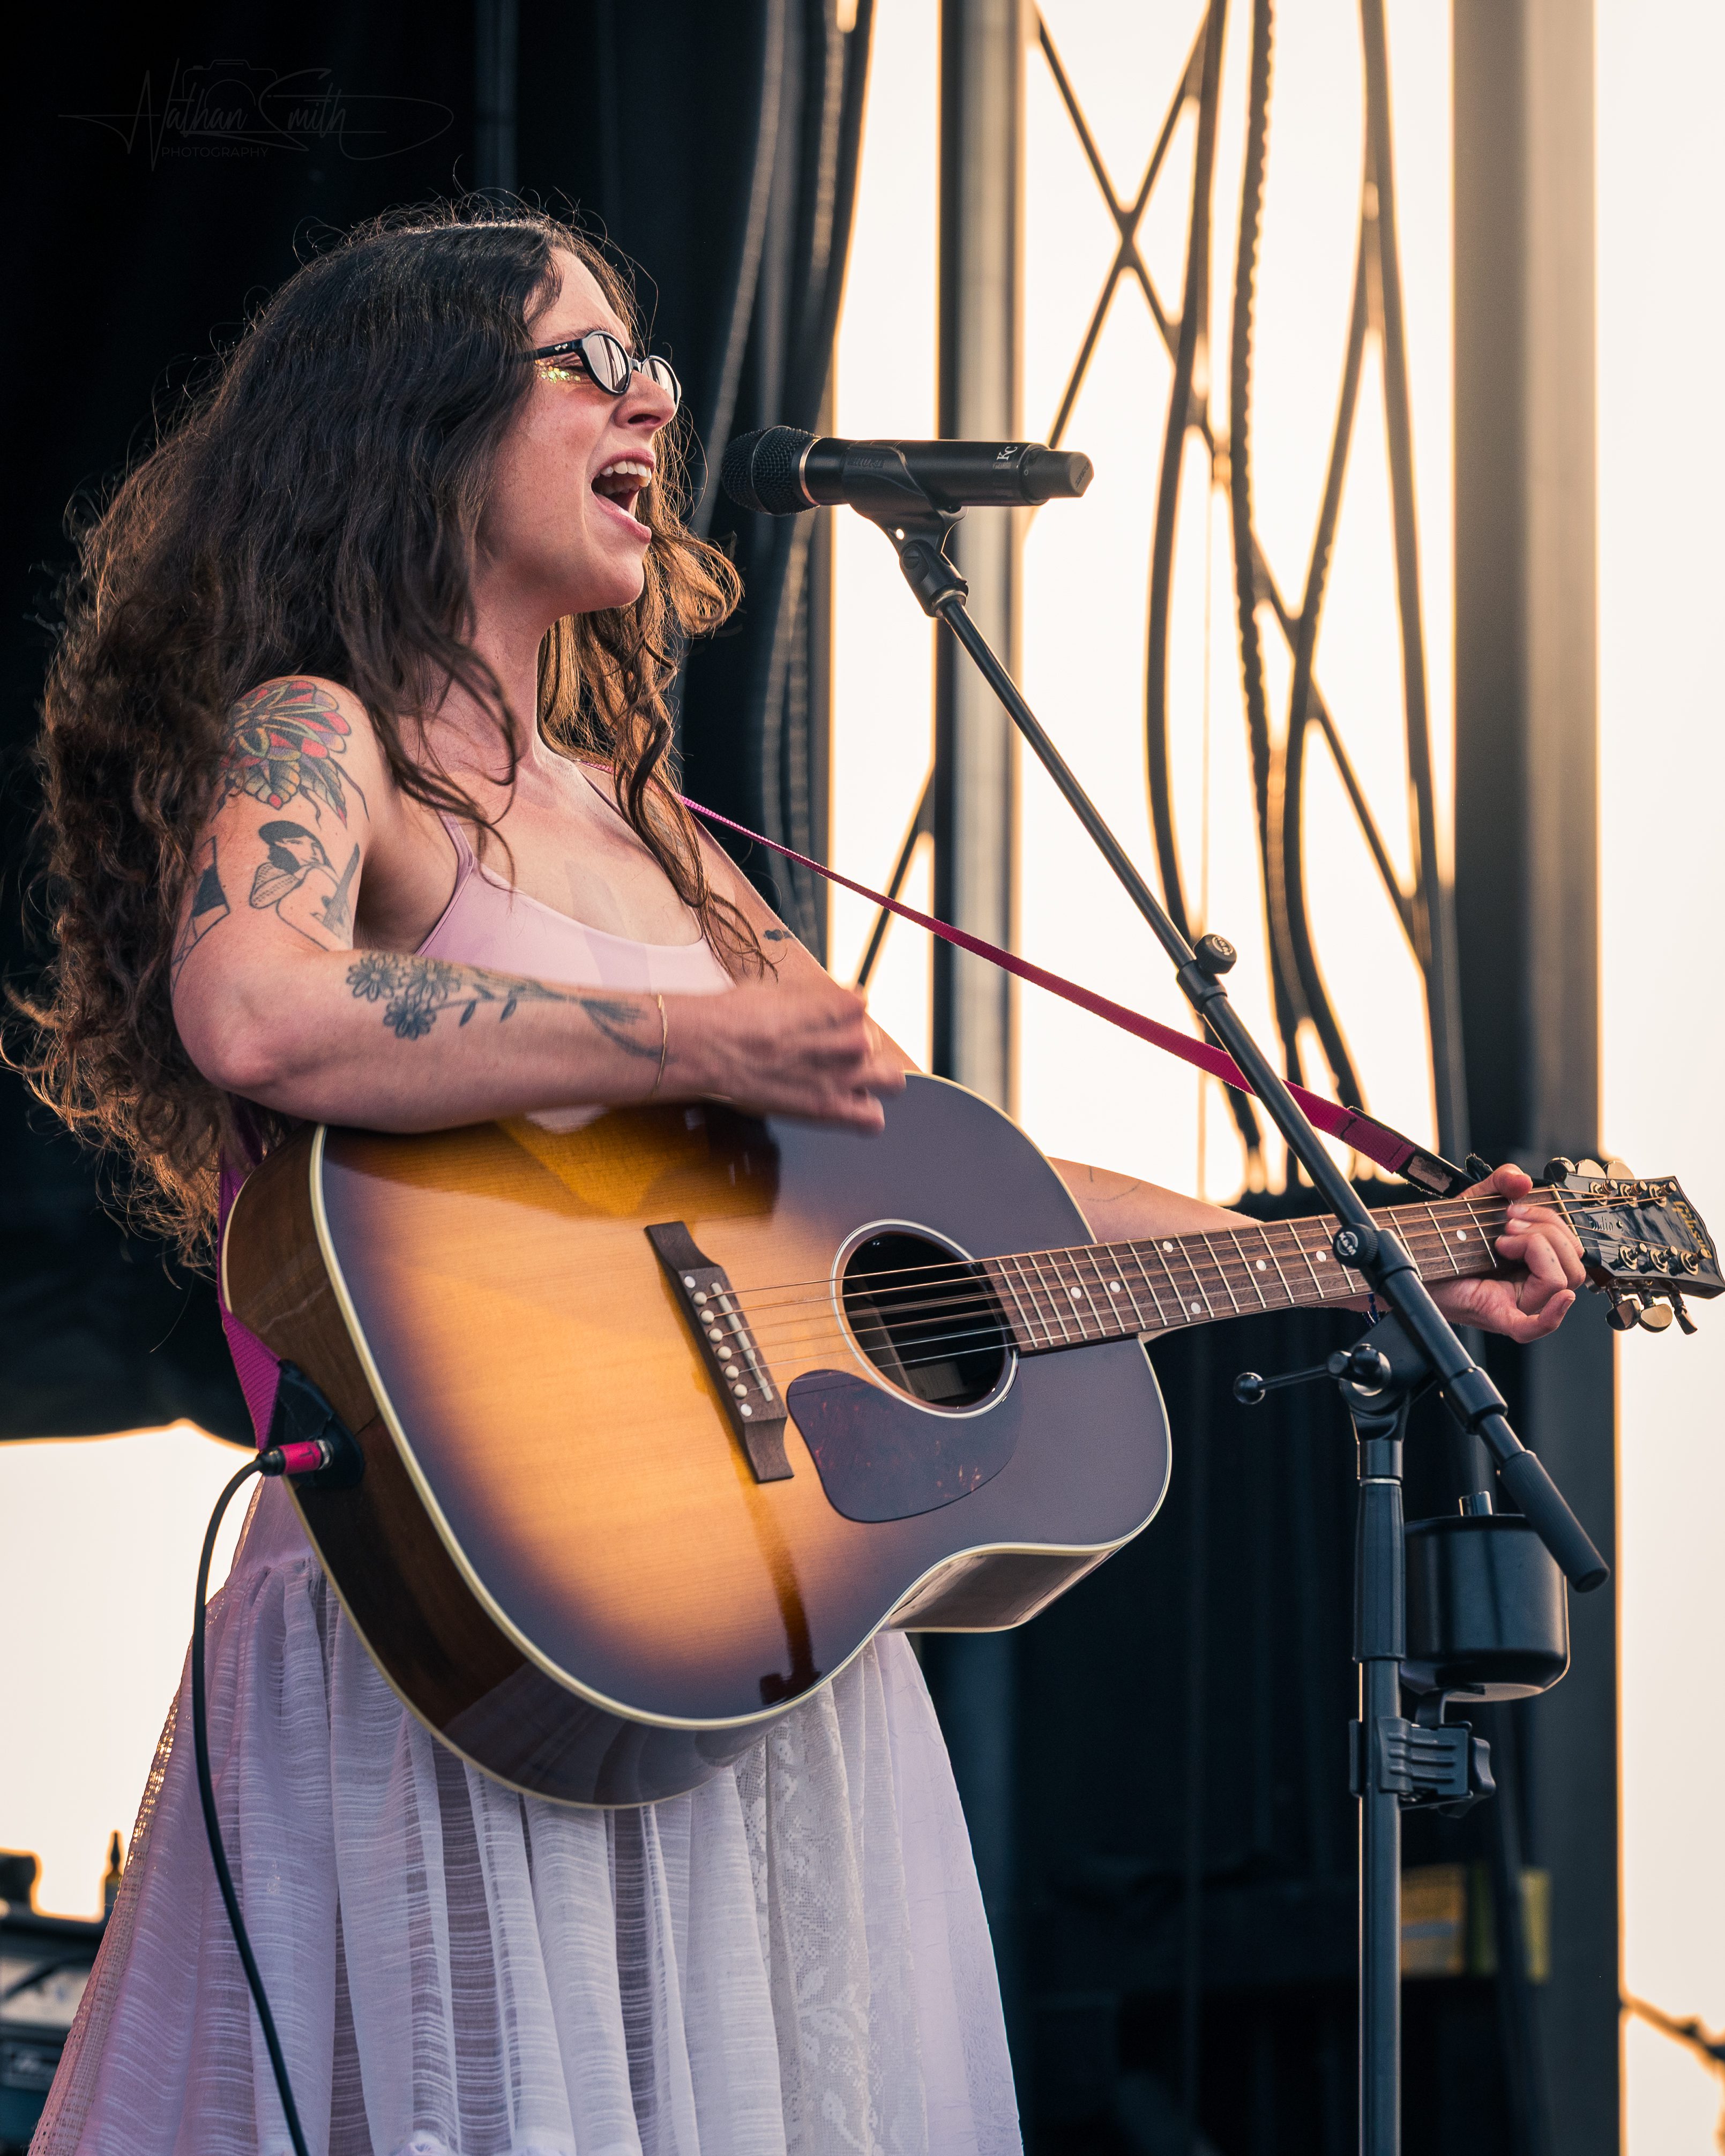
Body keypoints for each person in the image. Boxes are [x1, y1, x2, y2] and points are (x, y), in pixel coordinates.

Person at [20, 206, 1585, 2156]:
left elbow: (954, 1182)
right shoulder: (322, 735)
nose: (652, 400)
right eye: (587, 361)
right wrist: (687, 1041)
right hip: (462, 1603)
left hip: (746, 1637)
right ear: (412, 416)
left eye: (651, 362)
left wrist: (1372, 1258)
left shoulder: (655, 830)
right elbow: (258, 1005)